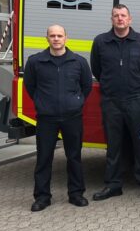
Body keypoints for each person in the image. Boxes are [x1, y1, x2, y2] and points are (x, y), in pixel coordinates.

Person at [90, 4, 140, 201]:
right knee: (113, 144)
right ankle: (113, 185)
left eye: (123, 15)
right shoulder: (101, 42)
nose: (120, 19)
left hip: (136, 100)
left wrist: (135, 88)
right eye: (116, 15)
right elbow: (97, 69)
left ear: (130, 19)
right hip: (111, 100)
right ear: (111, 19)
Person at [23, 25, 92, 211]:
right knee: (44, 158)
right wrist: (42, 102)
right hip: (47, 118)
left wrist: (76, 102)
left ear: (66, 38)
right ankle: (42, 197)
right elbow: (30, 86)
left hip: (72, 117)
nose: (56, 39)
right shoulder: (36, 62)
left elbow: (87, 86)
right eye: (52, 36)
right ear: (46, 38)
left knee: (74, 157)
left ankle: (76, 194)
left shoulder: (78, 62)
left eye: (59, 35)